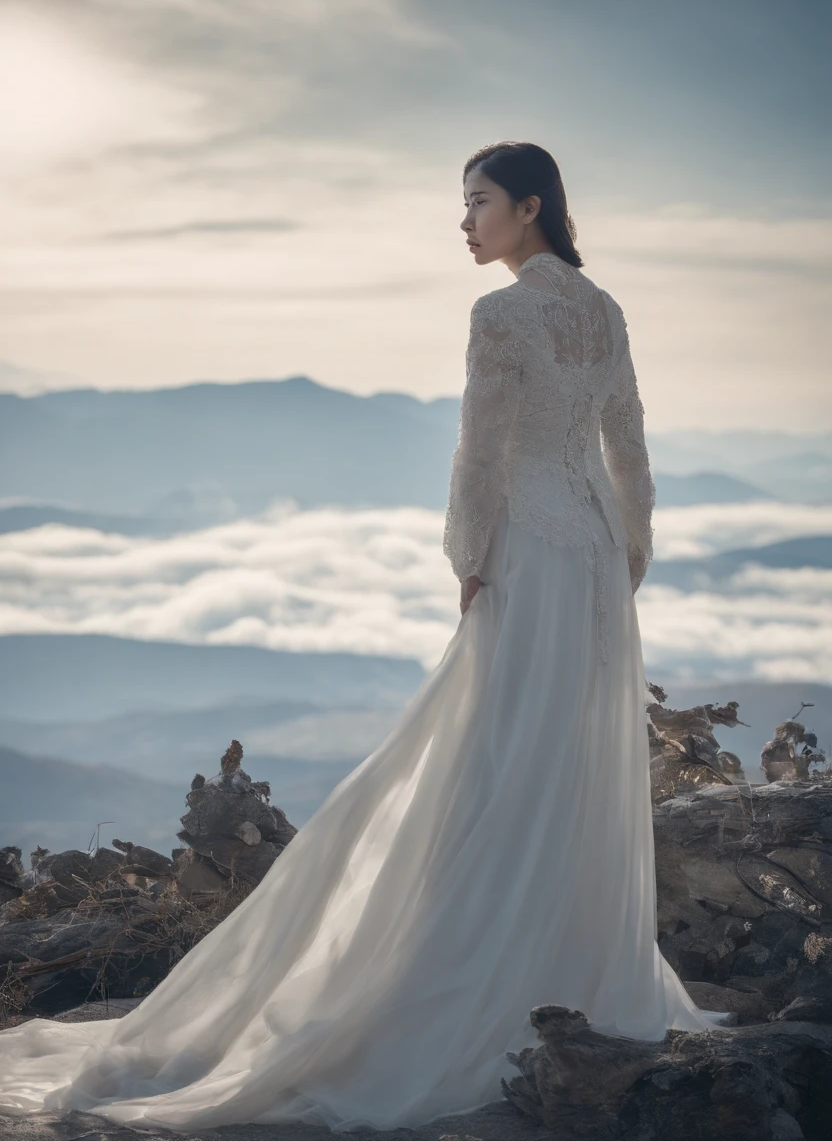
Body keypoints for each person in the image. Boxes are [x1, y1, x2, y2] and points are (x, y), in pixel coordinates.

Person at [0, 140, 732, 1135]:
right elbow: (628, 443)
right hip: (595, 555)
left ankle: (459, 973)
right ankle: (570, 965)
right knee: (564, 760)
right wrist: (630, 549)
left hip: (530, 547)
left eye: (476, 202)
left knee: (490, 759)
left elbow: (478, 447)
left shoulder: (500, 312)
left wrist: (467, 557)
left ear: (529, 206)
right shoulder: (603, 311)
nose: (463, 221)